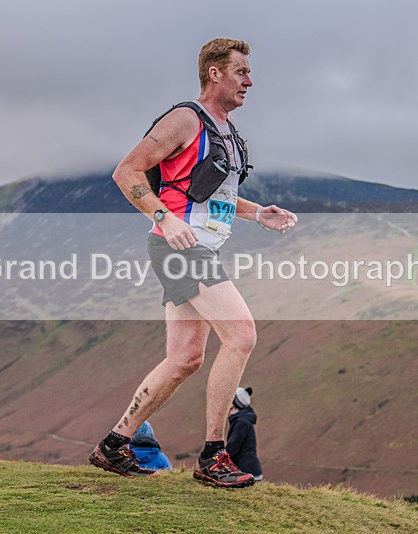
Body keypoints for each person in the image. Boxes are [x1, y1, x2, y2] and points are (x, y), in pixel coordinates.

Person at [89, 37, 296, 488]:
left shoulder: (228, 132)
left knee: (185, 359)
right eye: (241, 71)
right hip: (179, 248)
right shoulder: (186, 119)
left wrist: (257, 213)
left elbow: (212, 195)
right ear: (214, 73)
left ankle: (114, 444)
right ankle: (213, 455)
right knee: (241, 334)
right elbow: (127, 171)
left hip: (199, 248)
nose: (249, 80)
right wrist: (163, 218)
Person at [227, 386, 263, 481]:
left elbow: (233, 447)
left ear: (235, 403)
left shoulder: (241, 422)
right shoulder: (242, 420)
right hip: (249, 469)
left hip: (247, 472)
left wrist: (220, 460)